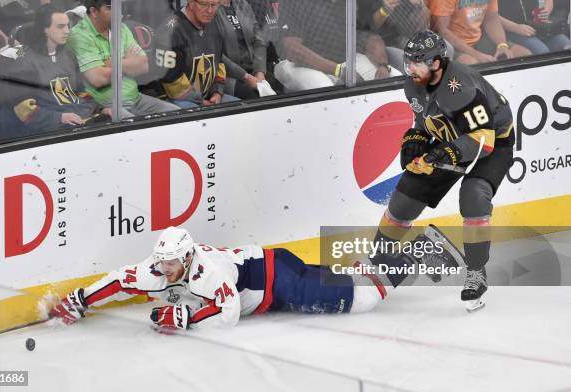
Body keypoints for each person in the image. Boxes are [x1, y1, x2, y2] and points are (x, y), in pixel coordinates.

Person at [48, 225, 458, 328]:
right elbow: (121, 279)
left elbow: (226, 311)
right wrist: (80, 300)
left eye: (170, 263)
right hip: (272, 268)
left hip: (280, 280)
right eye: (161, 262)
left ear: (187, 258)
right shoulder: (161, 268)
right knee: (350, 281)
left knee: (364, 299)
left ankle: (426, 248)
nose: (162, 269)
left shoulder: (209, 273)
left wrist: (185, 319)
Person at [371, 30, 515, 312]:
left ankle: (477, 273)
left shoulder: (460, 88)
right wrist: (415, 142)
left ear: (437, 64)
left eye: (416, 62)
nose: (409, 67)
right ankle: (378, 260)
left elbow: (483, 141)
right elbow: (425, 122)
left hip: (493, 140)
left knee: (474, 193)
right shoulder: (414, 84)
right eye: (408, 61)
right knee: (406, 194)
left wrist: (441, 154)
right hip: (457, 139)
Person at [0, 5, 107, 139]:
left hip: (81, 118)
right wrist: (59, 117)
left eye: (68, 26)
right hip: (51, 129)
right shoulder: (24, 61)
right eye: (60, 27)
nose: (67, 31)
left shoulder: (68, 55)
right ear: (44, 29)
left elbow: (80, 91)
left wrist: (100, 108)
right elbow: (24, 108)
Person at [67, 0, 180, 118]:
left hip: (136, 98)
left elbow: (144, 65)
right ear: (94, 12)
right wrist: (128, 63)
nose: (117, 11)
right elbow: (98, 78)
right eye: (109, 7)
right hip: (106, 105)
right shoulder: (80, 35)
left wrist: (110, 63)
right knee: (135, 129)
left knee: (178, 115)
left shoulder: (121, 28)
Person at [274, 0, 401, 92]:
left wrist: (383, 66)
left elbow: (371, 37)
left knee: (394, 77)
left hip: (343, 61)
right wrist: (338, 70)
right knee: (329, 93)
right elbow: (293, 50)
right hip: (302, 65)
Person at [153, 0, 239, 108]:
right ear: (191, 3)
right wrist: (201, 101)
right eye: (204, 5)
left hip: (208, 98)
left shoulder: (214, 24)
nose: (210, 11)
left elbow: (219, 64)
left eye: (214, 5)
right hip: (174, 99)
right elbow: (171, 80)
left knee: (241, 108)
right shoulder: (169, 31)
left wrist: (217, 93)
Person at [424, 0, 531, 64]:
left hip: (477, 37)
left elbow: (491, 19)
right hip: (450, 44)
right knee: (472, 65)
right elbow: (441, 30)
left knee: (523, 55)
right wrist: (476, 55)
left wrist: (502, 45)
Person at [214, 0, 268, 99]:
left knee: (281, 91)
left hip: (253, 71)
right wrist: (246, 76)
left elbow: (259, 41)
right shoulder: (209, 9)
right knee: (255, 97)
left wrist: (259, 72)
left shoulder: (244, 5)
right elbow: (216, 54)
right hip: (227, 76)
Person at [497, 0, 571, 55]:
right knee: (541, 52)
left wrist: (545, 12)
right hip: (509, 28)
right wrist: (516, 27)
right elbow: (490, 16)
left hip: (538, 26)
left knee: (566, 46)